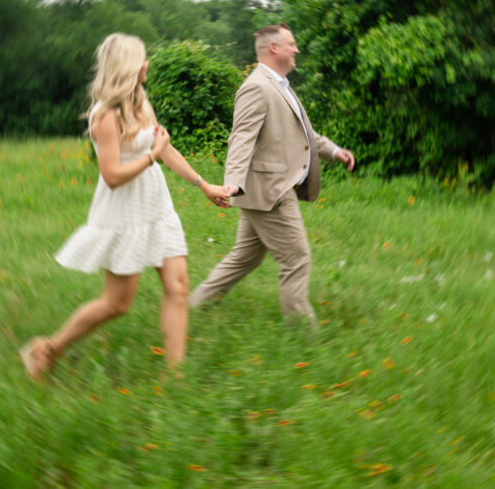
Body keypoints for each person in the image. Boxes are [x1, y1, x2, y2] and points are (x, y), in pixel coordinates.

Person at [20, 33, 232, 381]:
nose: (148, 64)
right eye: (143, 59)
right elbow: (113, 175)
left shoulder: (141, 102)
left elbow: (165, 148)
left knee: (178, 286)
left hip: (155, 203)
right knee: (118, 303)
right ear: (129, 67)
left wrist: (203, 185)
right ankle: (49, 348)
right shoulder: (105, 116)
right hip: (124, 210)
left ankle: (175, 376)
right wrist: (151, 155)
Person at [188, 23, 355, 323]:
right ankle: (303, 332)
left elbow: (304, 135)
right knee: (296, 258)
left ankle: (193, 307)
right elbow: (241, 138)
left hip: (265, 190)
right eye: (291, 44)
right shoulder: (257, 86)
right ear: (274, 48)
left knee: (245, 257)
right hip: (272, 190)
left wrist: (334, 151)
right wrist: (233, 184)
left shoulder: (279, 85)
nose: (297, 50)